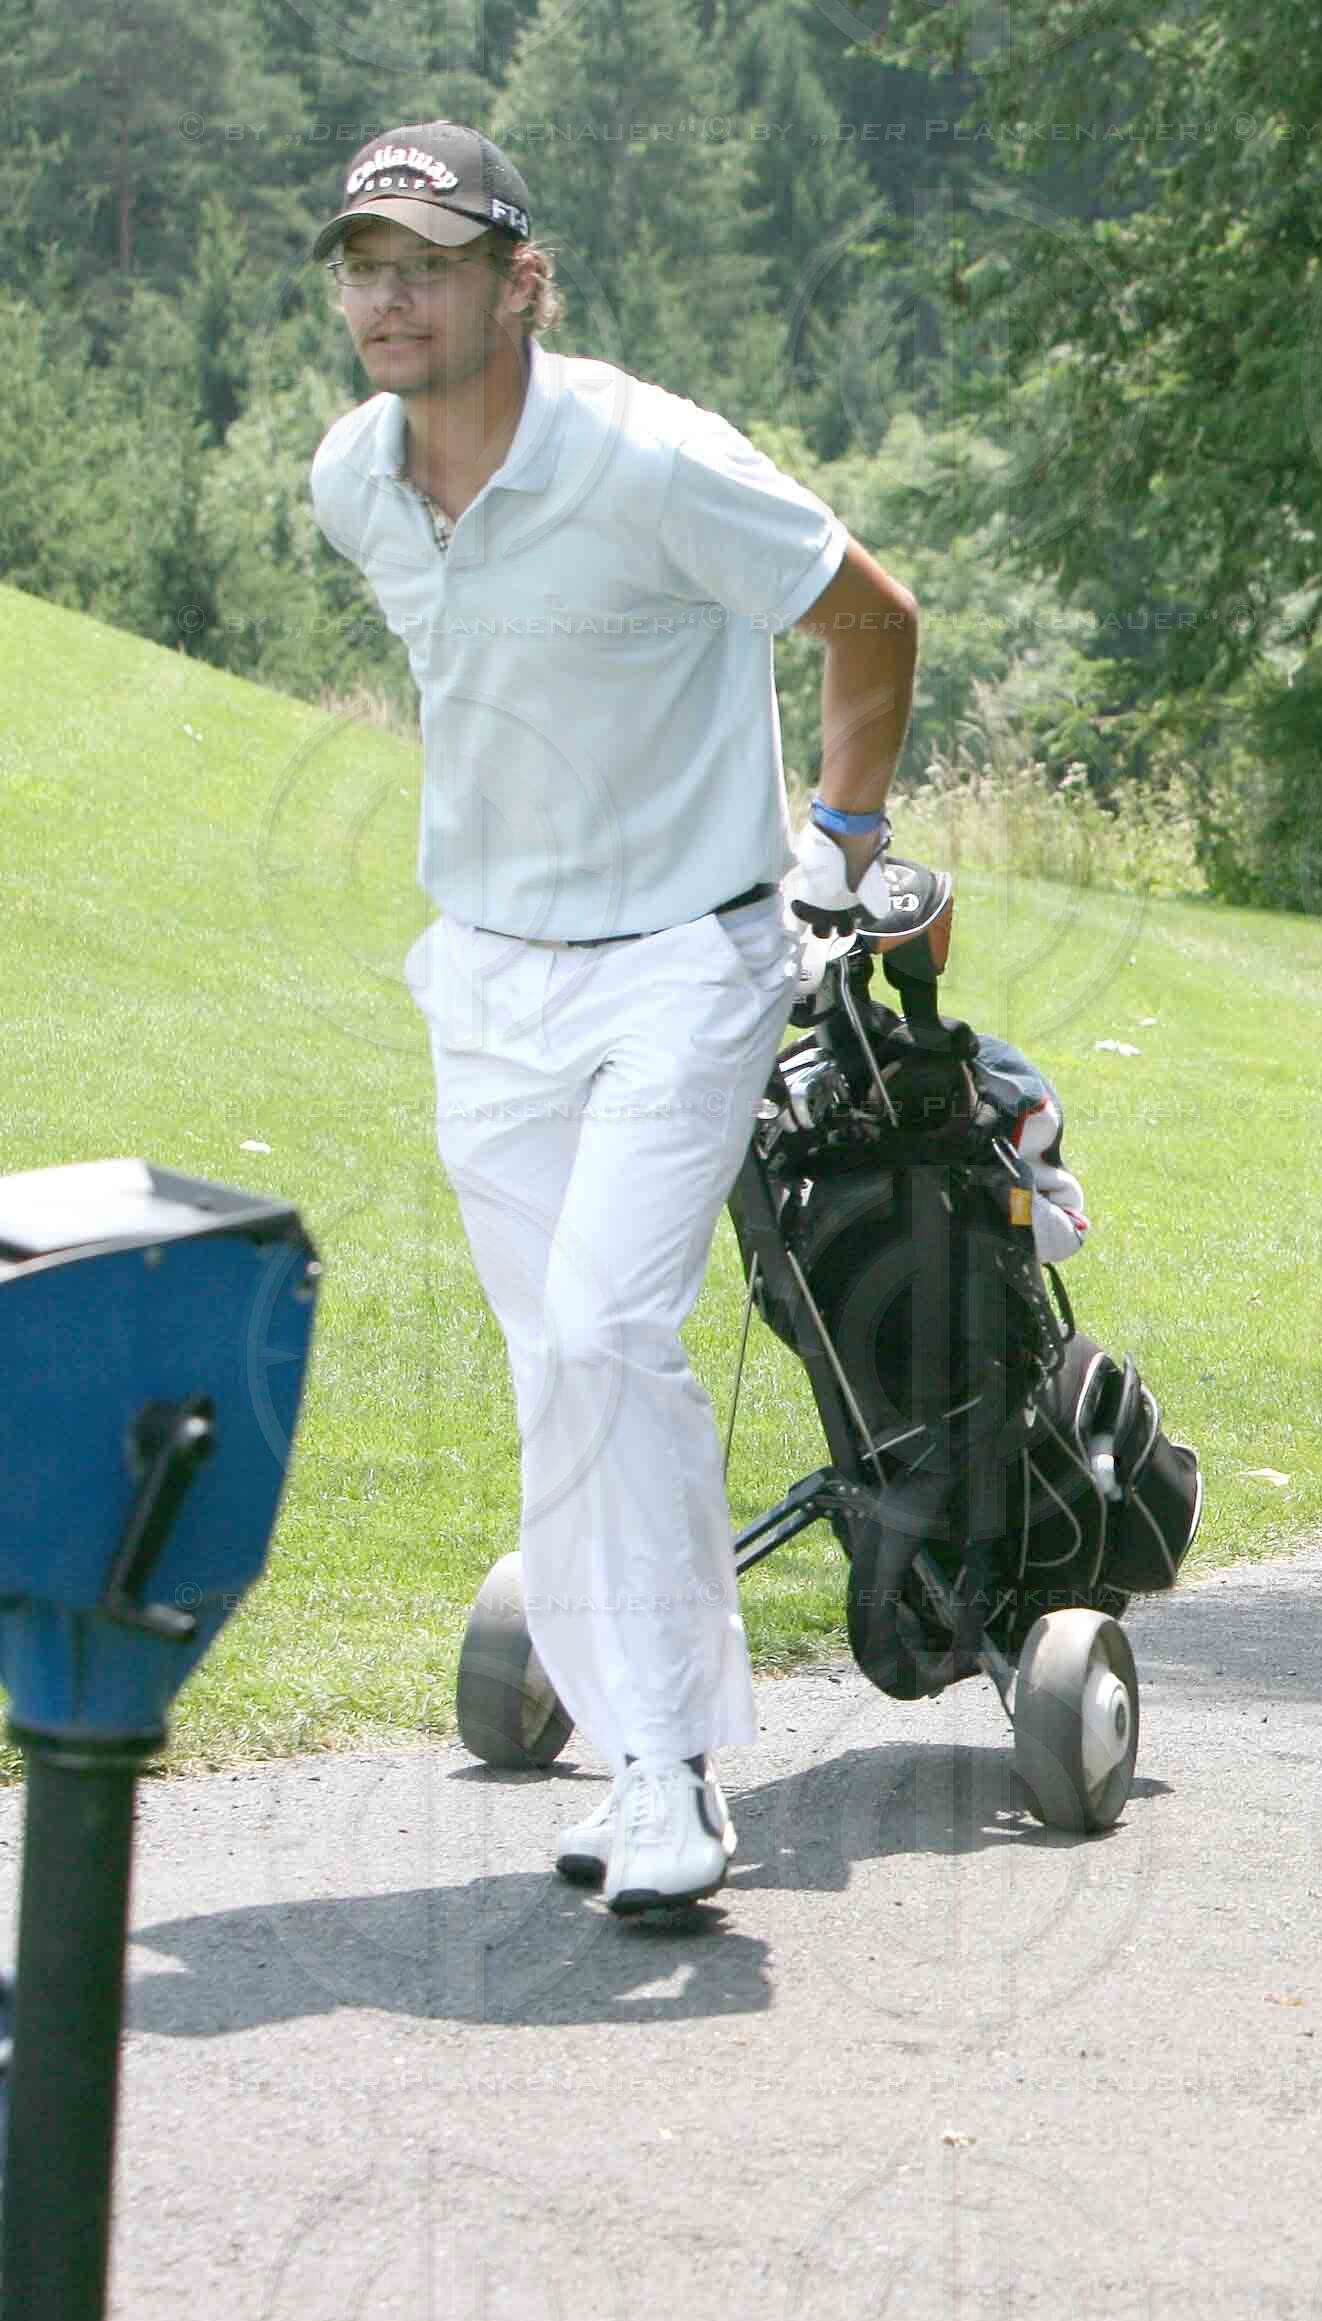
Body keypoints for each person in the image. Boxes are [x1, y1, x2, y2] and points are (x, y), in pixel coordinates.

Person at [308, 123, 920, 1908]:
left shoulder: (654, 459)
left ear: (520, 280)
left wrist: (842, 850)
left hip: (688, 956)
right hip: (487, 974)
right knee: (549, 1373)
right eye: (364, 263)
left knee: (600, 1331)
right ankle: (631, 1724)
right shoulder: (356, 480)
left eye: (427, 260)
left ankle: (666, 1768)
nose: (389, 295)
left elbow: (871, 625)